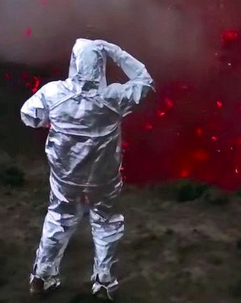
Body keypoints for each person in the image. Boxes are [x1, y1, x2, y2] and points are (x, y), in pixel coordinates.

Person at [21, 38, 155, 300]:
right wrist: (116, 51)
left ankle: (42, 276)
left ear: (74, 63)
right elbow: (145, 81)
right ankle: (104, 282)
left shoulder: (53, 93)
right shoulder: (114, 98)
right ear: (101, 65)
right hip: (102, 179)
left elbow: (29, 115)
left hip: (65, 176)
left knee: (59, 217)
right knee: (106, 222)